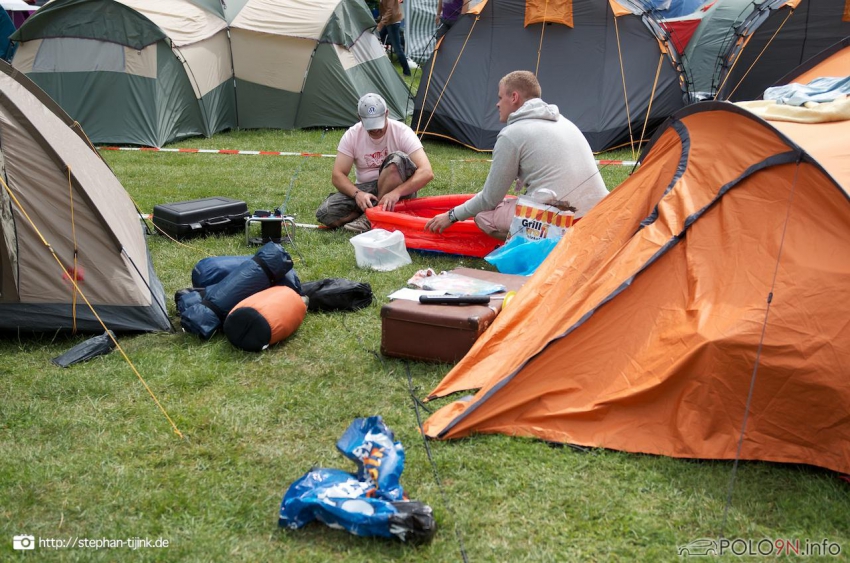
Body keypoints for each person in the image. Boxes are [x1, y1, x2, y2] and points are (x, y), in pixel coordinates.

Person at [425, 70, 607, 240]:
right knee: (507, 204)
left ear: (514, 97)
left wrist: (451, 215)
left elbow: (489, 199)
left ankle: (538, 245)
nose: (497, 104)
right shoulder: (564, 121)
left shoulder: (512, 134)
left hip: (565, 222)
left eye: (500, 97)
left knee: (483, 216)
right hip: (600, 213)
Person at [316, 93, 434, 233]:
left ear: (387, 114)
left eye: (378, 124)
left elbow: (426, 172)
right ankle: (370, 212)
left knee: (396, 160)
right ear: (360, 118)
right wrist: (358, 194)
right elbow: (337, 175)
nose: (376, 130)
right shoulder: (352, 134)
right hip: (366, 189)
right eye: (371, 126)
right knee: (325, 213)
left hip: (398, 187)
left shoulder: (402, 132)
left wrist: (396, 193)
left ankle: (371, 217)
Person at [377, 0, 410, 76]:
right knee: (376, 39)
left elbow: (390, 10)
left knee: (397, 48)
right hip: (387, 21)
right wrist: (380, 20)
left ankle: (407, 72)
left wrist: (381, 24)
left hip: (393, 22)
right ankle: (378, 65)